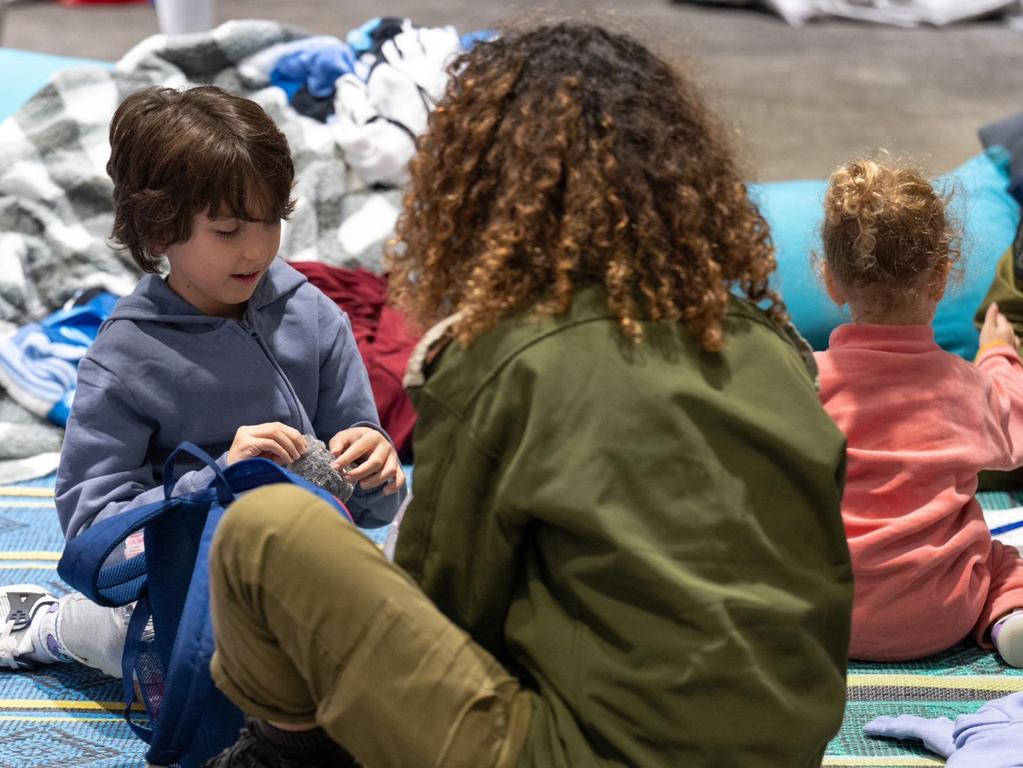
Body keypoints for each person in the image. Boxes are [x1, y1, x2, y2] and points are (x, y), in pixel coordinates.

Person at [200, 23, 854, 768]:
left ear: (473, 191)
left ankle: (282, 761)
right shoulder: (777, 350)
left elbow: (442, 612)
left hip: (577, 754)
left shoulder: (500, 357)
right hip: (789, 750)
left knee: (265, 533)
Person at [0, 85, 405, 676]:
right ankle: (53, 627)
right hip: (181, 581)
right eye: (228, 230)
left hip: (303, 564)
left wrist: (376, 463)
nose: (258, 247)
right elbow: (92, 538)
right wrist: (213, 484)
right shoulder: (125, 358)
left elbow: (370, 507)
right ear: (160, 230)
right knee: (166, 654)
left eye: (270, 222)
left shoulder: (313, 315)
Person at [814, 157, 1023, 666]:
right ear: (943, 277)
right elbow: (1015, 433)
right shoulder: (964, 387)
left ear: (831, 282)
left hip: (823, 614)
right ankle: (1009, 616)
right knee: (1001, 561)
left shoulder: (804, 381)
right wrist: (999, 355)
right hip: (942, 612)